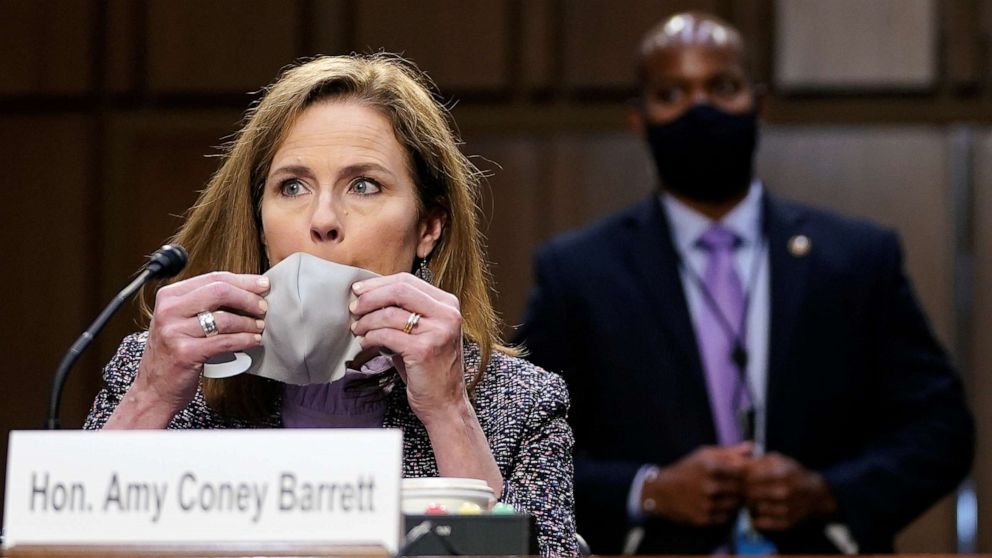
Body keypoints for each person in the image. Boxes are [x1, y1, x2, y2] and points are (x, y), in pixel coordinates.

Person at [83, 53, 578, 557]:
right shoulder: (156, 370)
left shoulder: (520, 404)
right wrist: (149, 399)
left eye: (364, 185)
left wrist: (449, 412)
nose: (322, 220)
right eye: (292, 187)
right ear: (261, 224)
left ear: (427, 228)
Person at [516, 12, 973, 555]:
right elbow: (523, 448)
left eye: (722, 87)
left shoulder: (856, 259)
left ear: (758, 103)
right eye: (672, 93)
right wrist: (648, 489)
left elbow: (941, 431)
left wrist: (828, 493)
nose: (699, 109)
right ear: (639, 118)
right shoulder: (579, 273)